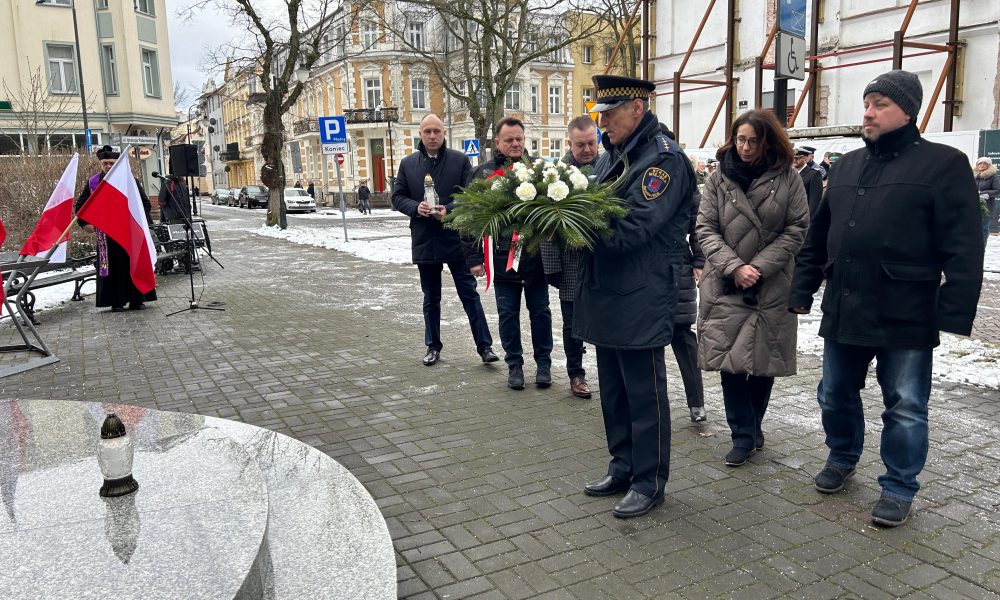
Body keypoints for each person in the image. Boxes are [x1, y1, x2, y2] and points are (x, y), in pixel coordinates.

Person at [789, 70, 984, 527]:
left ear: (908, 110)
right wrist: (802, 288)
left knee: (905, 404)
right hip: (846, 302)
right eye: (866, 103)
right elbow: (819, 236)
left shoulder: (943, 164)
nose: (867, 112)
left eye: (879, 104)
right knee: (834, 393)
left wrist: (952, 311)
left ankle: (898, 485)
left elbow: (964, 245)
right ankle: (842, 456)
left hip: (906, 309)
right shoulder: (849, 164)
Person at [575, 75, 695, 518]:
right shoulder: (616, 156)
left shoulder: (663, 162)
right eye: (599, 114)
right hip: (609, 291)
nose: (602, 122)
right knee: (614, 391)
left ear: (637, 110)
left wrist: (572, 223)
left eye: (609, 113)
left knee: (644, 392)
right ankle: (622, 465)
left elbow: (634, 228)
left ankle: (649, 480)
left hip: (642, 292)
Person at [697, 109, 809, 468]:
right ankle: (742, 435)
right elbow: (705, 229)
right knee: (731, 362)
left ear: (768, 141)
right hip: (727, 283)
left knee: (764, 362)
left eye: (754, 141)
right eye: (740, 139)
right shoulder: (718, 178)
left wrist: (757, 267)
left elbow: (796, 228)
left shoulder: (789, 178)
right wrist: (735, 267)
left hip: (771, 284)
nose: (745, 147)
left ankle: (754, 425)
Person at [391, 114, 499, 367]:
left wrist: (448, 209)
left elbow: (468, 195)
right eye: (427, 131)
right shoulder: (408, 164)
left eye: (436, 131)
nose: (432, 136)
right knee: (431, 298)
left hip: (455, 238)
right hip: (424, 239)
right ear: (420, 134)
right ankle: (433, 346)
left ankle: (485, 347)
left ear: (443, 134)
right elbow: (397, 197)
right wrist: (415, 208)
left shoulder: (460, 161)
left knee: (469, 295)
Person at [473, 117, 553, 391]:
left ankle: (544, 365)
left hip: (536, 259)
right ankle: (515, 365)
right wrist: (473, 259)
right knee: (508, 314)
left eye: (519, 138)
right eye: (509, 139)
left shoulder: (540, 172)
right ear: (497, 143)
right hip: (502, 260)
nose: (516, 143)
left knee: (541, 312)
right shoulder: (483, 175)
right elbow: (470, 220)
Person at [541, 116, 599, 399]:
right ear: (569, 144)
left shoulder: (610, 166)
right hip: (571, 265)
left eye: (591, 143)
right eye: (580, 145)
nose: (587, 149)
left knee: (607, 321)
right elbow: (547, 226)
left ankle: (612, 374)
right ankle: (576, 375)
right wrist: (552, 270)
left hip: (604, 262)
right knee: (571, 324)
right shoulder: (556, 174)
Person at [75, 145, 157, 312]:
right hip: (107, 236)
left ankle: (137, 300)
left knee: (131, 265)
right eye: (105, 163)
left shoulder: (129, 180)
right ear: (101, 164)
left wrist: (138, 222)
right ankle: (116, 301)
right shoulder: (93, 183)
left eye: (111, 163)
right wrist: (85, 224)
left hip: (128, 233)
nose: (108, 166)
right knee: (114, 268)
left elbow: (144, 204)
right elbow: (81, 207)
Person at [794, 146, 824, 216]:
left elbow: (814, 201)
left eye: (797, 158)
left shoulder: (813, 174)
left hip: (803, 215)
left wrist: (809, 219)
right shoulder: (789, 174)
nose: (794, 161)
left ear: (804, 159)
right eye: (792, 158)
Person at [974, 157, 999, 242]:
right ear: (977, 165)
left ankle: (982, 247)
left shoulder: (993, 176)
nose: (982, 165)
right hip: (973, 206)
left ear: (989, 165)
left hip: (986, 207)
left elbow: (997, 190)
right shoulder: (974, 176)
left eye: (985, 163)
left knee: (983, 228)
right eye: (980, 163)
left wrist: (984, 193)